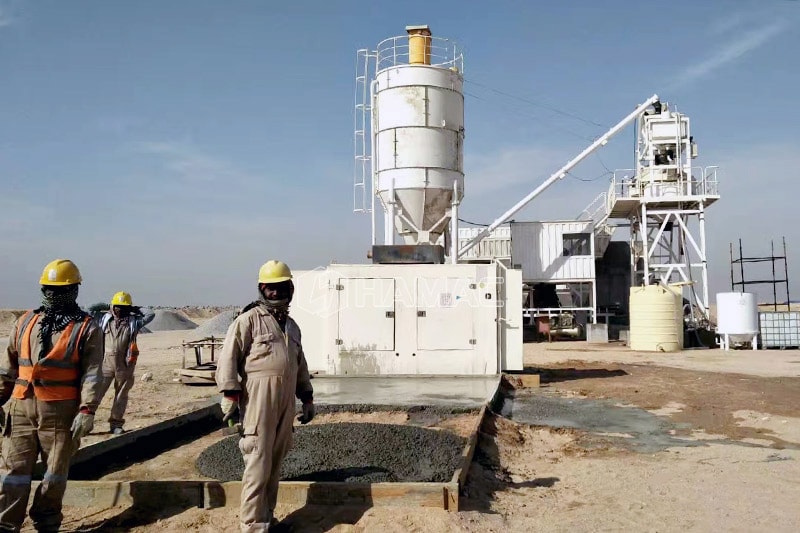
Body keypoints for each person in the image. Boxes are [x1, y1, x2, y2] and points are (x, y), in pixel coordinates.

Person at [0, 259, 103, 532]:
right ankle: (6, 524)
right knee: (13, 472)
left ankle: (46, 523)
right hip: (21, 409)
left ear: (74, 291)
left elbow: (93, 373)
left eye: (59, 290)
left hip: (60, 413)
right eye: (48, 289)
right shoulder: (25, 322)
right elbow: (7, 368)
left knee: (54, 474)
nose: (53, 295)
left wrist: (87, 410)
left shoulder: (87, 327)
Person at [215, 259, 315, 532]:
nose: (276, 293)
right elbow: (228, 358)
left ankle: (267, 519)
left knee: (274, 462)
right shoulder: (247, 321)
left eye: (282, 287)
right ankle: (252, 526)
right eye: (270, 288)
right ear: (261, 289)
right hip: (258, 400)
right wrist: (230, 396)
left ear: (290, 288)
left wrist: (306, 398)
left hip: (285, 402)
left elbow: (300, 364)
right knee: (257, 464)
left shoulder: (292, 326)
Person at [96, 291, 155, 435]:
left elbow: (150, 314)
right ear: (113, 306)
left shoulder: (134, 322)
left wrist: (135, 308)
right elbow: (90, 308)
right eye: (117, 307)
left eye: (124, 307)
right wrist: (107, 305)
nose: (120, 310)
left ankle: (116, 424)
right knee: (95, 394)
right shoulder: (104, 320)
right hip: (105, 363)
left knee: (121, 395)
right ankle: (86, 422)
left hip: (125, 364)